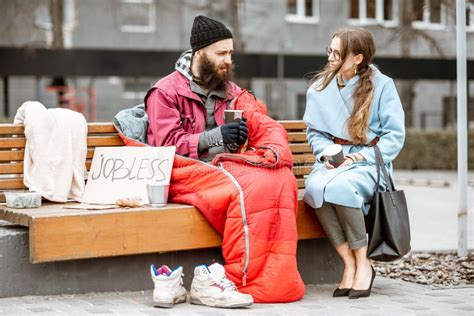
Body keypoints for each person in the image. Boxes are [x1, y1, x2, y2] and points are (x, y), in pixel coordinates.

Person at [143, 15, 305, 307]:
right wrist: (215, 136)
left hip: (221, 170)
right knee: (250, 189)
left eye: (231, 53)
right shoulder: (165, 92)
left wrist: (271, 150)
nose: (228, 60)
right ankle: (241, 278)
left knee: (280, 179)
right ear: (200, 53)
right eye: (221, 53)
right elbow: (165, 147)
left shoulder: (230, 92)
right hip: (183, 173)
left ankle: (273, 280)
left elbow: (263, 123)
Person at [303, 28, 405, 299]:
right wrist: (327, 153)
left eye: (338, 53)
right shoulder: (320, 88)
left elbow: (394, 135)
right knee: (314, 189)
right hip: (335, 159)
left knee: (342, 187)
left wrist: (361, 156)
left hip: (369, 162)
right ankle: (349, 263)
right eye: (330, 50)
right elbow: (315, 131)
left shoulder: (383, 85)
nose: (331, 57)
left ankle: (364, 263)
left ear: (358, 57)